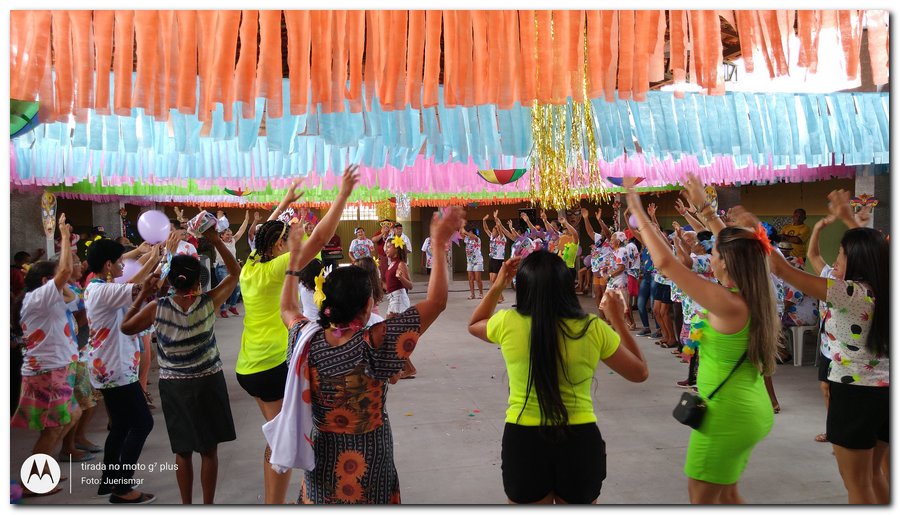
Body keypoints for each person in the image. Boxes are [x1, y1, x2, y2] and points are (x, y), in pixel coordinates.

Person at [276, 206, 463, 504]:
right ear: (368, 306)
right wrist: (439, 244)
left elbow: (287, 308)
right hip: (371, 456)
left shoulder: (305, 338)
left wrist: (293, 262)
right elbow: (437, 301)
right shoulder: (375, 341)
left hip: (322, 452)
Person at [627, 174, 778, 504]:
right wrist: (706, 210)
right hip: (746, 409)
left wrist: (634, 204)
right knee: (726, 495)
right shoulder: (751, 292)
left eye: (714, 254)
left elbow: (665, 262)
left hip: (728, 415)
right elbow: (736, 246)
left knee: (702, 498)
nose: (710, 256)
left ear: (726, 263)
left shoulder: (727, 303)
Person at [467, 250, 648, 504]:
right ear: (566, 286)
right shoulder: (591, 327)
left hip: (524, 440)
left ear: (525, 289)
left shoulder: (507, 322)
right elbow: (639, 372)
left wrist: (498, 285)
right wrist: (618, 319)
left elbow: (475, 323)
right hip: (579, 440)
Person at [236, 168, 357, 504]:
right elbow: (319, 238)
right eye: (286, 240)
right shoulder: (278, 267)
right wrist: (342, 196)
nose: (293, 242)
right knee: (282, 442)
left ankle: (273, 502)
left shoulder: (250, 267)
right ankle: (273, 505)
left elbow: (260, 237)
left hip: (248, 367)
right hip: (271, 365)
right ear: (279, 246)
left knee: (276, 436)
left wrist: (284, 203)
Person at [766, 190, 889, 504]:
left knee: (856, 485)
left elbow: (781, 270)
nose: (836, 261)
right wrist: (850, 218)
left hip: (854, 394)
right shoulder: (885, 288)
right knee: (874, 477)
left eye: (842, 255)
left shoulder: (848, 292)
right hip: (885, 391)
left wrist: (756, 232)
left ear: (857, 260)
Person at [120, 227, 241, 504]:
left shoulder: (157, 307)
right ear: (199, 281)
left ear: (171, 282)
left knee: (183, 450)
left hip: (174, 386)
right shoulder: (208, 303)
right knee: (209, 450)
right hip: (208, 382)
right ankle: (207, 505)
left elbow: (127, 327)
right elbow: (234, 273)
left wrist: (143, 294)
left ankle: (186, 505)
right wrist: (213, 240)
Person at [84, 234, 167, 503]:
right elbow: (139, 286)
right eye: (119, 261)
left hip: (110, 366)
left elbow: (138, 286)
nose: (123, 265)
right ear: (108, 265)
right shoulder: (103, 290)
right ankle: (121, 487)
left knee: (120, 425)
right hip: (114, 368)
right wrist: (162, 259)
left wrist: (154, 261)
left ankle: (108, 480)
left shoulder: (97, 287)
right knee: (142, 423)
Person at [11, 216, 84, 497]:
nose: (65, 276)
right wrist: (65, 238)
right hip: (48, 371)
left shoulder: (46, 297)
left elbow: (73, 290)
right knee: (54, 427)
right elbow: (65, 272)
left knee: (71, 415)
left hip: (56, 368)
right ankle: (33, 481)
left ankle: (41, 469)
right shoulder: (40, 296)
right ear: (46, 280)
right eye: (56, 277)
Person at [59, 255, 101, 462]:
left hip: (80, 349)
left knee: (89, 401)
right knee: (79, 402)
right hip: (71, 351)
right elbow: (80, 319)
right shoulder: (61, 292)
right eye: (74, 262)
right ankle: (68, 446)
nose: (81, 264)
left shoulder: (75, 287)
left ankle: (79, 438)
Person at [215, 210, 250, 318]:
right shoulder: (219, 243)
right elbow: (214, 232)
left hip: (233, 268)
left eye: (230, 234)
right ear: (221, 236)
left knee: (237, 288)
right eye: (227, 235)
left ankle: (233, 306)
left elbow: (241, 230)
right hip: (221, 267)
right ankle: (222, 309)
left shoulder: (233, 241)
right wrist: (219, 217)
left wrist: (246, 220)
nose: (230, 236)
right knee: (225, 289)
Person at [483, 211, 508, 303]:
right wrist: (484, 220)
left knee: (495, 280)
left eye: (494, 231)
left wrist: (496, 219)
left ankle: (498, 297)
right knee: (491, 280)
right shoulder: (491, 237)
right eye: (492, 231)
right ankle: (499, 297)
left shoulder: (502, 238)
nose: (492, 232)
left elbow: (500, 231)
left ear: (497, 232)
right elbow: (485, 229)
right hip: (492, 259)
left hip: (499, 260)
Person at [461, 223, 485, 300]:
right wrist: (461, 227)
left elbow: (470, 235)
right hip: (470, 262)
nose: (469, 234)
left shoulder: (477, 239)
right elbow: (461, 234)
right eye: (469, 232)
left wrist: (465, 232)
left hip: (478, 261)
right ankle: (472, 294)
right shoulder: (467, 239)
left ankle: (481, 293)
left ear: (473, 233)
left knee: (478, 279)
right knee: (470, 279)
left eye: (471, 232)